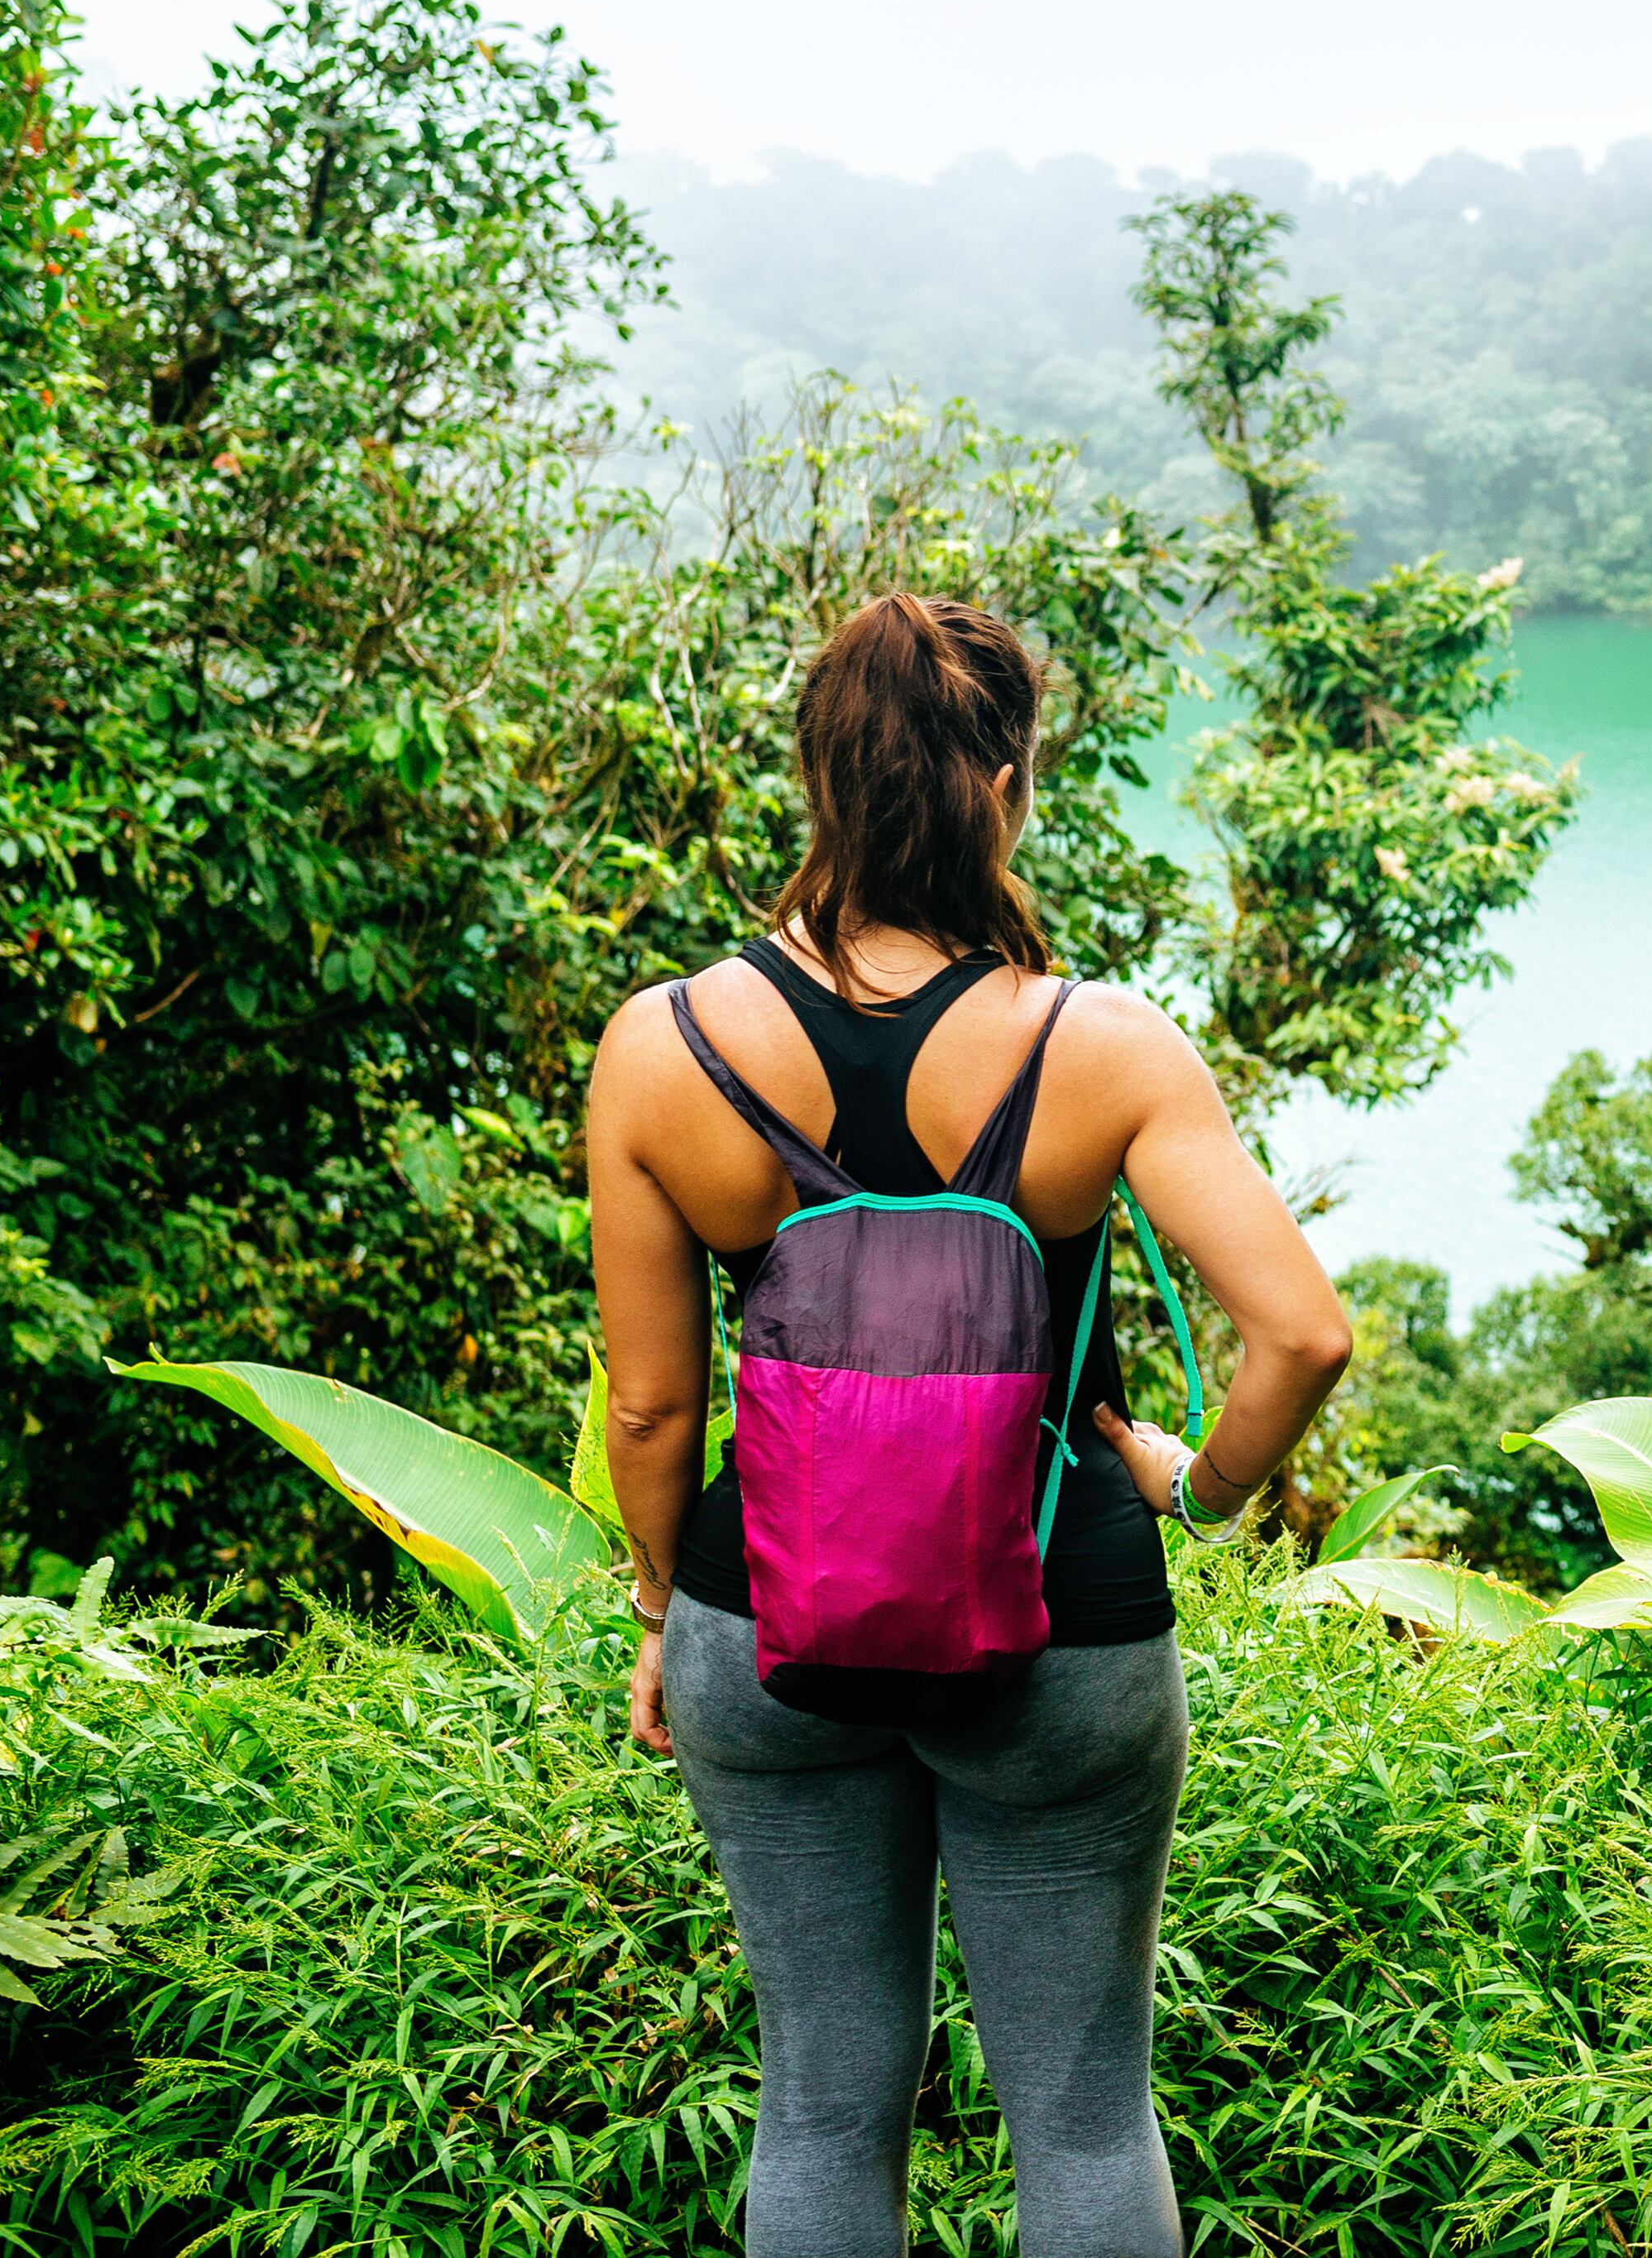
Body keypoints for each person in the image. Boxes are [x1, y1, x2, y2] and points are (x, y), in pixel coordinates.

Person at [584, 592, 1352, 2256]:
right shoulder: (1099, 1045)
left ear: (817, 779)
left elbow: (651, 1401)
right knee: (1079, 2113)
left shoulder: (664, 1047)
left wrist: (662, 1603)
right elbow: (1300, 1329)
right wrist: (1196, 1486)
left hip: (765, 1620)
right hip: (1058, 1622)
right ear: (1005, 784)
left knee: (822, 2100)